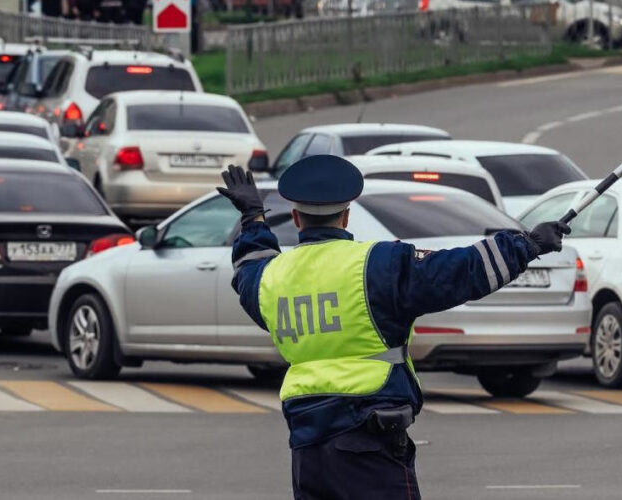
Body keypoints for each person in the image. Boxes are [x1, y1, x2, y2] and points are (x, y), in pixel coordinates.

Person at [220, 155, 570, 500]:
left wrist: (253, 218)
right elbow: (460, 271)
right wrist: (528, 245)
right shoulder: (377, 264)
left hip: (307, 445)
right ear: (346, 215)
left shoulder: (272, 278)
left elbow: (249, 267)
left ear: (295, 218)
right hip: (368, 436)